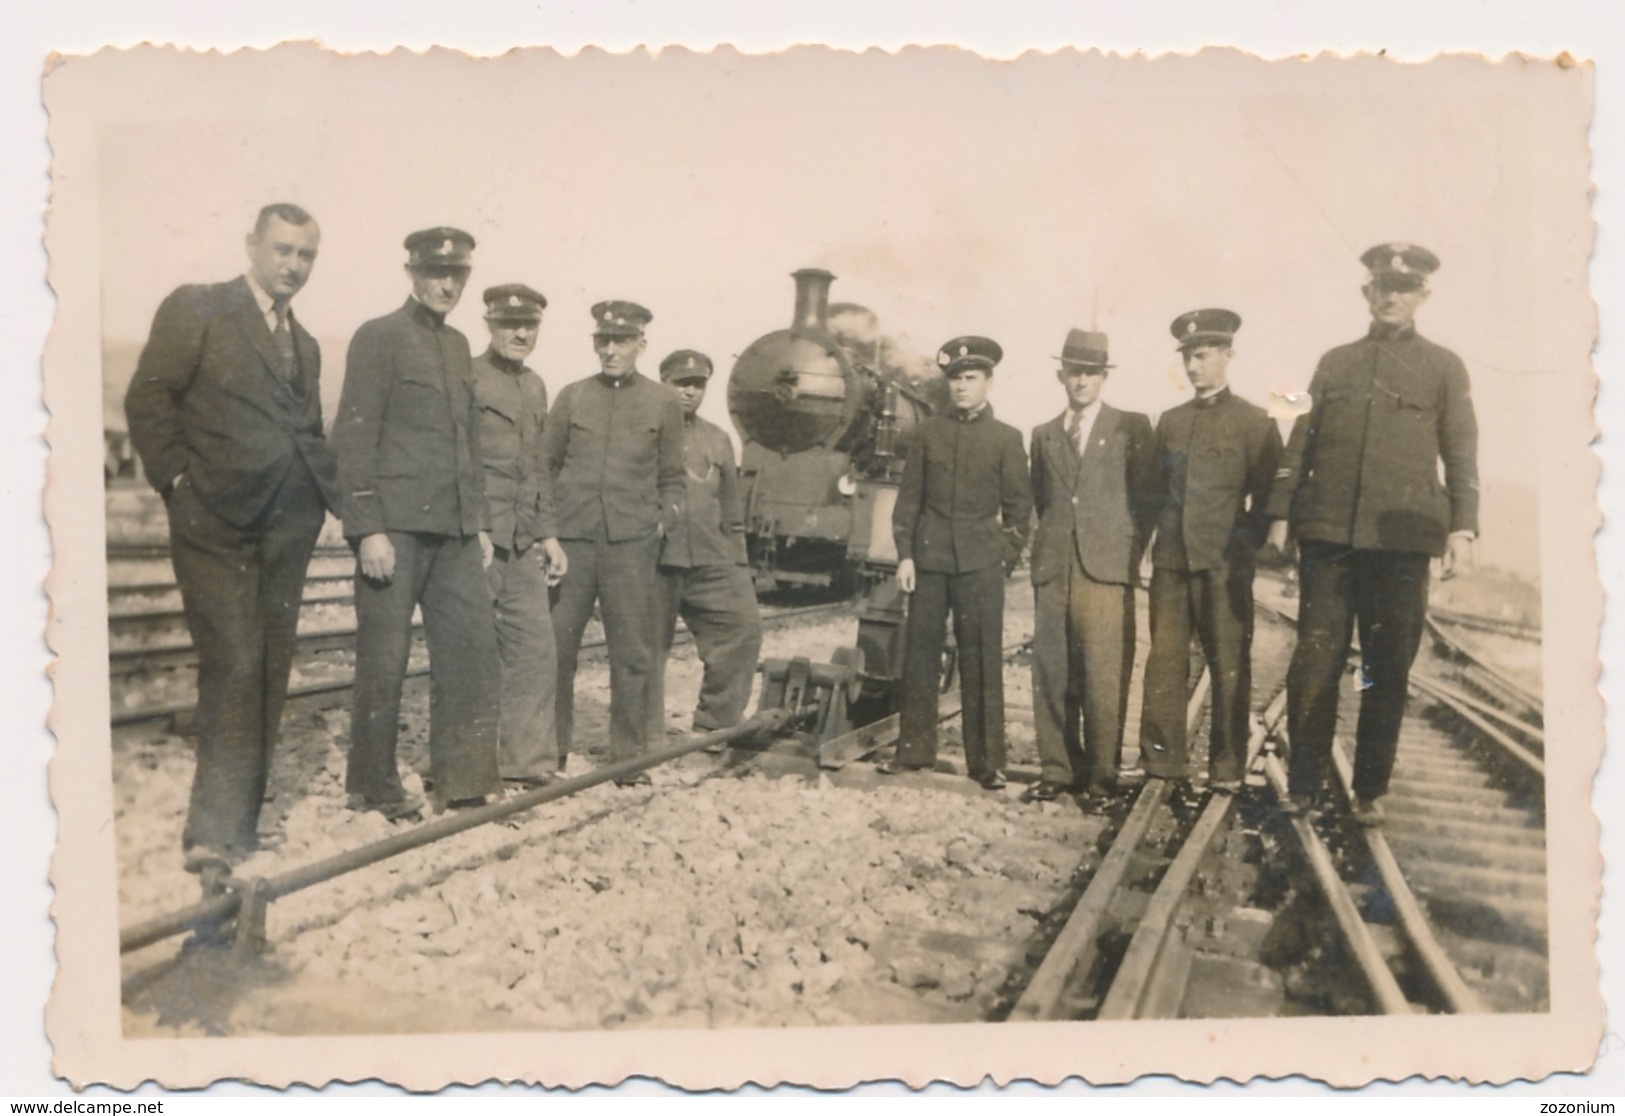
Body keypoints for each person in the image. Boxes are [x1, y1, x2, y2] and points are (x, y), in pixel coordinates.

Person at [124, 202, 340, 876]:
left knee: (272, 668)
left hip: (288, 524)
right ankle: (211, 835)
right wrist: (178, 486)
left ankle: (242, 826)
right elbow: (148, 399)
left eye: (305, 256)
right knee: (236, 662)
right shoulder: (198, 308)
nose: (292, 266)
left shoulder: (304, 345)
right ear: (252, 245)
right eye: (282, 251)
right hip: (212, 522)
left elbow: (305, 432)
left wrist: (328, 502)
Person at [1266, 243, 1479, 827]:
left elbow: (1461, 452)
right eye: (1382, 286)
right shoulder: (1333, 362)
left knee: (1386, 669)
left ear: (1422, 297)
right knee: (1314, 665)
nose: (1392, 297)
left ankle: (1368, 792)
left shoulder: (1445, 367)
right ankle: (1305, 784)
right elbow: (1297, 441)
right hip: (1331, 539)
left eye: (1404, 288)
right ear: (1367, 293)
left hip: (1403, 546)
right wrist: (1282, 513)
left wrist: (1463, 528)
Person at [332, 227, 500, 820]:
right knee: (385, 659)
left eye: (457, 276)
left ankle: (466, 782)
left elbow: (467, 442)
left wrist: (476, 522)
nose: (446, 284)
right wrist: (366, 527)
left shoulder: (457, 346)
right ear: (411, 272)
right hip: (396, 531)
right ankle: (371, 786)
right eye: (434, 273)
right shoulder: (379, 337)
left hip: (454, 532)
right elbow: (352, 436)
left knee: (473, 651)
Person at [1138, 309, 1282, 796]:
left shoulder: (1256, 423)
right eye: (1187, 357)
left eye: (1202, 356)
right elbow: (1153, 493)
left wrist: (1243, 546)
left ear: (1227, 355)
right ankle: (1161, 763)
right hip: (1172, 564)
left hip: (1224, 565)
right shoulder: (1171, 423)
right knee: (1165, 662)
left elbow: (1268, 497)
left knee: (1229, 667)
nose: (1193, 366)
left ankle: (1226, 767)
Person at [544, 301, 685, 786]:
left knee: (633, 654)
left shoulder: (663, 402)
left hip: (631, 544)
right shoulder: (572, 396)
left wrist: (662, 519)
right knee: (557, 649)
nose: (610, 350)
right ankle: (550, 754)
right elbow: (546, 467)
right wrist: (550, 532)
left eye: (621, 341)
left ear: (640, 345)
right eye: (602, 341)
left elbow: (673, 478)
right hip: (573, 542)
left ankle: (627, 760)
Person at [882, 336, 1033, 788]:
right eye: (955, 380)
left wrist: (1001, 560)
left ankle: (987, 763)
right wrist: (906, 555)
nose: (962, 387)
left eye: (971, 378)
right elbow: (908, 501)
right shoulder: (928, 433)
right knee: (921, 656)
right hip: (929, 561)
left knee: (982, 660)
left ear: (988, 381)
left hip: (980, 566)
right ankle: (914, 753)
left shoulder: (1006, 438)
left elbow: (1020, 509)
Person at [1024, 329, 1158, 813]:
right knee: (1052, 670)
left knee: (1103, 674)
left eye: (1091, 373)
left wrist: (1127, 547)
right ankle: (1056, 771)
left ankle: (1103, 778)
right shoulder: (1042, 434)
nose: (1082, 381)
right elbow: (1045, 497)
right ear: (1061, 374)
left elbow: (1148, 498)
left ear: (1103, 377)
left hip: (1106, 568)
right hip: (1054, 565)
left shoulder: (1132, 427)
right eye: (1074, 372)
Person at [471, 283, 570, 789]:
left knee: (535, 650)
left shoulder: (535, 386)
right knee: (471, 652)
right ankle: (465, 767)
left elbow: (537, 469)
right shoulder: (468, 376)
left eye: (529, 326)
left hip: (521, 541)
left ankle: (525, 764)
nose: (520, 333)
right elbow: (456, 460)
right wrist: (476, 526)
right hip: (478, 539)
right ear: (489, 324)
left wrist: (548, 535)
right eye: (510, 325)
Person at [645, 349, 764, 745]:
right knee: (646, 650)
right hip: (656, 561)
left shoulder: (717, 438)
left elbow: (731, 508)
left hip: (713, 559)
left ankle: (716, 723)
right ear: (663, 383)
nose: (689, 392)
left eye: (697, 385)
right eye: (681, 383)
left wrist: (739, 562)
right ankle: (642, 736)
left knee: (743, 627)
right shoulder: (642, 431)